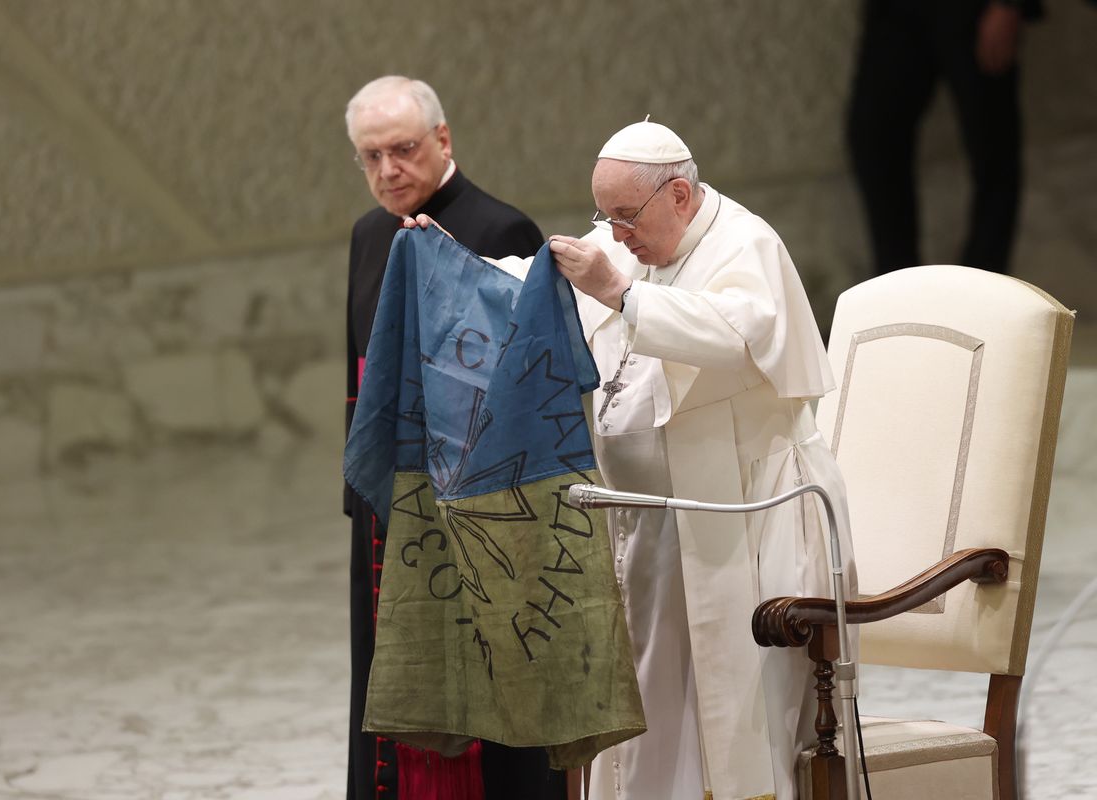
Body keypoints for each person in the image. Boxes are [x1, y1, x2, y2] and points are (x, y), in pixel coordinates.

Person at [407, 120, 856, 800]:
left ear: (678, 193)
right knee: (653, 719)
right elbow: (533, 285)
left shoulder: (746, 244)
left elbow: (735, 334)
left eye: (624, 216)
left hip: (747, 524)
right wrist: (453, 265)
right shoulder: (633, 239)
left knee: (741, 725)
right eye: (604, 216)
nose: (614, 234)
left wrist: (621, 293)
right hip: (653, 528)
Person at [342, 75, 554, 800]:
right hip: (392, 512)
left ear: (443, 140)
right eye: (370, 157)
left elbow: (530, 392)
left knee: (487, 701)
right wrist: (361, 501)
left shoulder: (502, 231)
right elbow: (360, 382)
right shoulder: (368, 236)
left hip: (480, 517)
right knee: (396, 684)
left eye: (401, 150)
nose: (386, 171)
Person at [847, 0, 1043, 275]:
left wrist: (1009, 4)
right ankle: (898, 287)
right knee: (872, 135)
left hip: (975, 8)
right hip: (897, 10)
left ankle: (979, 291)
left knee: (992, 149)